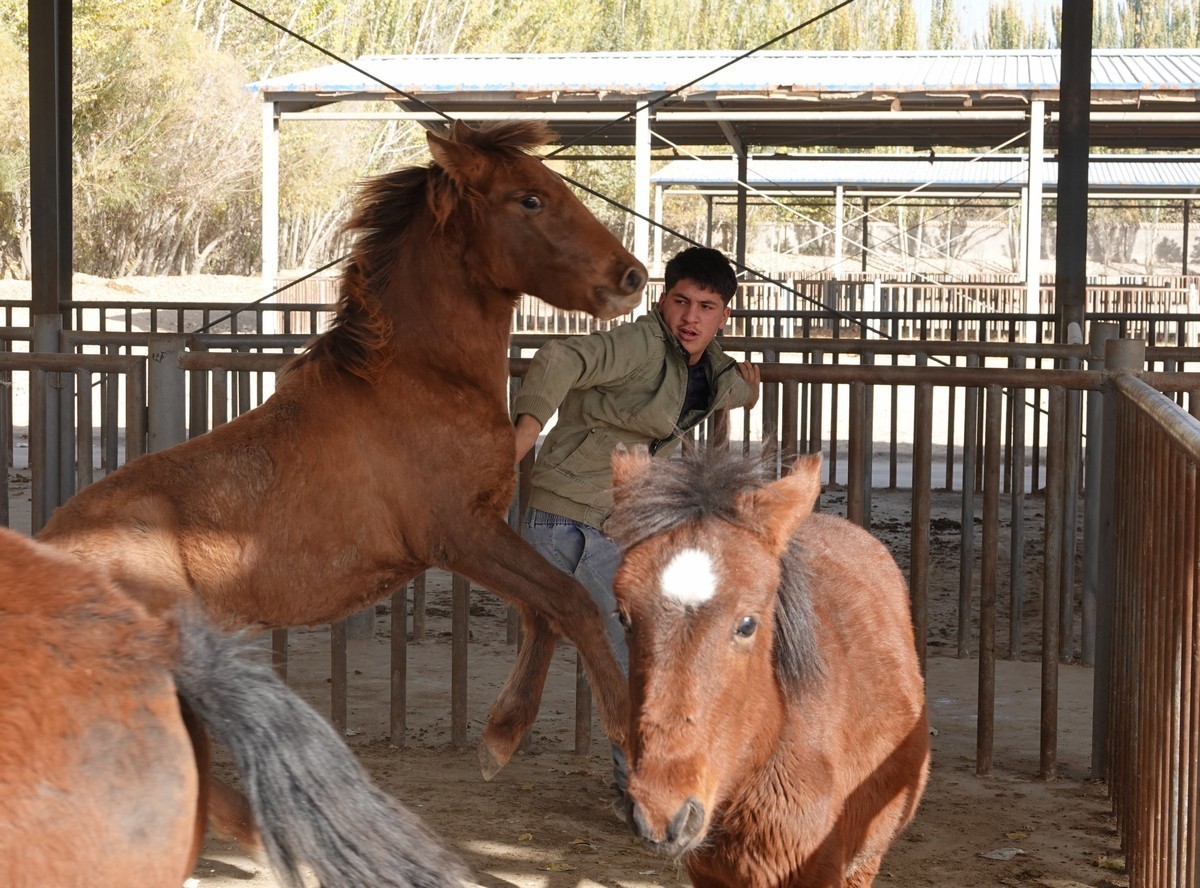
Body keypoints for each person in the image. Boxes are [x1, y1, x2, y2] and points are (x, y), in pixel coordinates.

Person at [511, 246, 760, 795]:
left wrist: (752, 387)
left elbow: (729, 387)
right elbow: (559, 359)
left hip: (616, 519)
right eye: (680, 301)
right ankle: (643, 789)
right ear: (663, 300)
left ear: (723, 316)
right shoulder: (640, 344)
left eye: (706, 306)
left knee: (647, 644)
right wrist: (518, 444)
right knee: (640, 652)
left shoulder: (709, 363)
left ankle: (645, 779)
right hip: (572, 519)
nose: (690, 317)